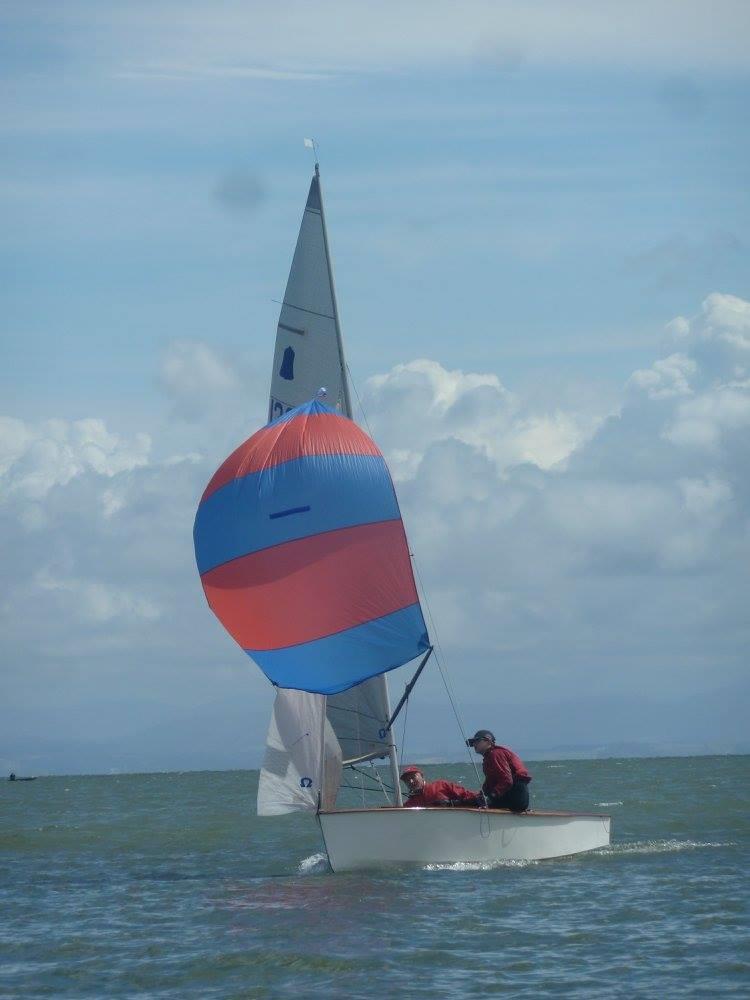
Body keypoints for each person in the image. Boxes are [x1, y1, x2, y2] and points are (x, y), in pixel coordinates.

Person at [466, 729, 532, 812]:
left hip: (516, 798)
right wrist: (481, 795)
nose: (474, 744)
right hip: (512, 794)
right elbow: (489, 782)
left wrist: (491, 797)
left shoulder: (495, 754)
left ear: (488, 742)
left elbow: (507, 781)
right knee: (476, 801)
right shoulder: (489, 757)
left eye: (477, 741)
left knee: (478, 803)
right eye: (473, 743)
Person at [400, 765, 480, 808]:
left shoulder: (440, 785)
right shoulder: (409, 805)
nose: (410, 781)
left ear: (422, 776)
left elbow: (466, 794)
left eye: (413, 777)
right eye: (407, 780)